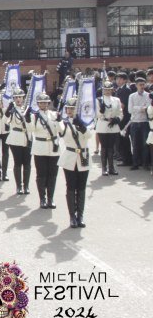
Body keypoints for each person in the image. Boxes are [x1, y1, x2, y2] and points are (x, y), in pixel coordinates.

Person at [59, 97, 92, 228]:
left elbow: (89, 135)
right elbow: (60, 131)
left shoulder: (85, 121)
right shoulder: (64, 122)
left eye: (73, 108)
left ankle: (80, 216)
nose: (70, 111)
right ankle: (72, 216)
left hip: (83, 156)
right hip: (70, 156)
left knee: (82, 188)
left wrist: (82, 126)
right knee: (71, 187)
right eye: (68, 108)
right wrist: (57, 119)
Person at [29, 93, 60, 209]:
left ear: (48, 103)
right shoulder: (34, 116)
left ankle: (50, 198)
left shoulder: (54, 114)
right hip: (40, 147)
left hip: (53, 146)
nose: (43, 104)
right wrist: (27, 119)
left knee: (52, 174)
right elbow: (31, 129)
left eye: (45, 102)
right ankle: (42, 198)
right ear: (38, 104)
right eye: (41, 103)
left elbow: (60, 131)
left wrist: (59, 120)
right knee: (41, 175)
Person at [4, 88, 32, 195]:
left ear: (23, 97)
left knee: (27, 163)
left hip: (27, 137)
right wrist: (8, 112)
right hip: (15, 138)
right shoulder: (12, 109)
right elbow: (5, 122)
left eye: (20, 97)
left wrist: (29, 118)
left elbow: (32, 127)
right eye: (16, 97)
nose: (18, 99)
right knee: (18, 163)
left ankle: (26, 186)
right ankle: (19, 186)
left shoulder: (28, 109)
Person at [96, 81, 122, 176]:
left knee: (111, 147)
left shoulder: (116, 100)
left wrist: (117, 119)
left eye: (109, 89)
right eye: (105, 89)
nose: (107, 91)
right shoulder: (99, 100)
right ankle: (104, 168)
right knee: (104, 147)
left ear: (112, 89)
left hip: (113, 125)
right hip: (103, 124)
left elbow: (120, 112)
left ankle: (111, 167)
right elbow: (96, 114)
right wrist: (101, 112)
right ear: (103, 90)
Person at [127, 77, 151, 170]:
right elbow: (130, 110)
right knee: (135, 143)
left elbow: (148, 109)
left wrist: (137, 108)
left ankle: (145, 163)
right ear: (136, 85)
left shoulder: (148, 95)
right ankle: (135, 163)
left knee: (145, 144)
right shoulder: (132, 96)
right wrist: (141, 108)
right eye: (140, 85)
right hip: (134, 122)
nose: (142, 86)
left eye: (143, 84)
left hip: (144, 122)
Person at [115, 72, 132, 165]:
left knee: (124, 139)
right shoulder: (119, 89)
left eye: (120, 79)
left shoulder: (125, 90)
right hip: (121, 117)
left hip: (124, 117)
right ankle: (124, 157)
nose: (118, 80)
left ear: (125, 80)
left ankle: (127, 159)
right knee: (121, 139)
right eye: (117, 79)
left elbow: (122, 105)